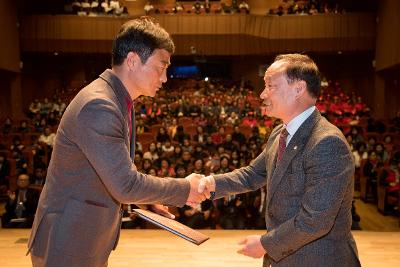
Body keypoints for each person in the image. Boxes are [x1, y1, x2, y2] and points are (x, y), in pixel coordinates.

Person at [28, 17, 205, 267]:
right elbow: (124, 184)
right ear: (132, 60)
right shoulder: (99, 105)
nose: (165, 77)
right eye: (161, 67)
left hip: (83, 235)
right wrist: (185, 188)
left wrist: (146, 197)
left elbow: (111, 175)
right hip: (69, 240)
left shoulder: (117, 100)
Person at [199, 54, 360, 266]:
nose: (262, 94)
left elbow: (315, 220)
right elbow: (253, 174)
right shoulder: (279, 133)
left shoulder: (327, 142)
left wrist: (266, 244)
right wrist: (211, 184)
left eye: (270, 86)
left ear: (298, 89)